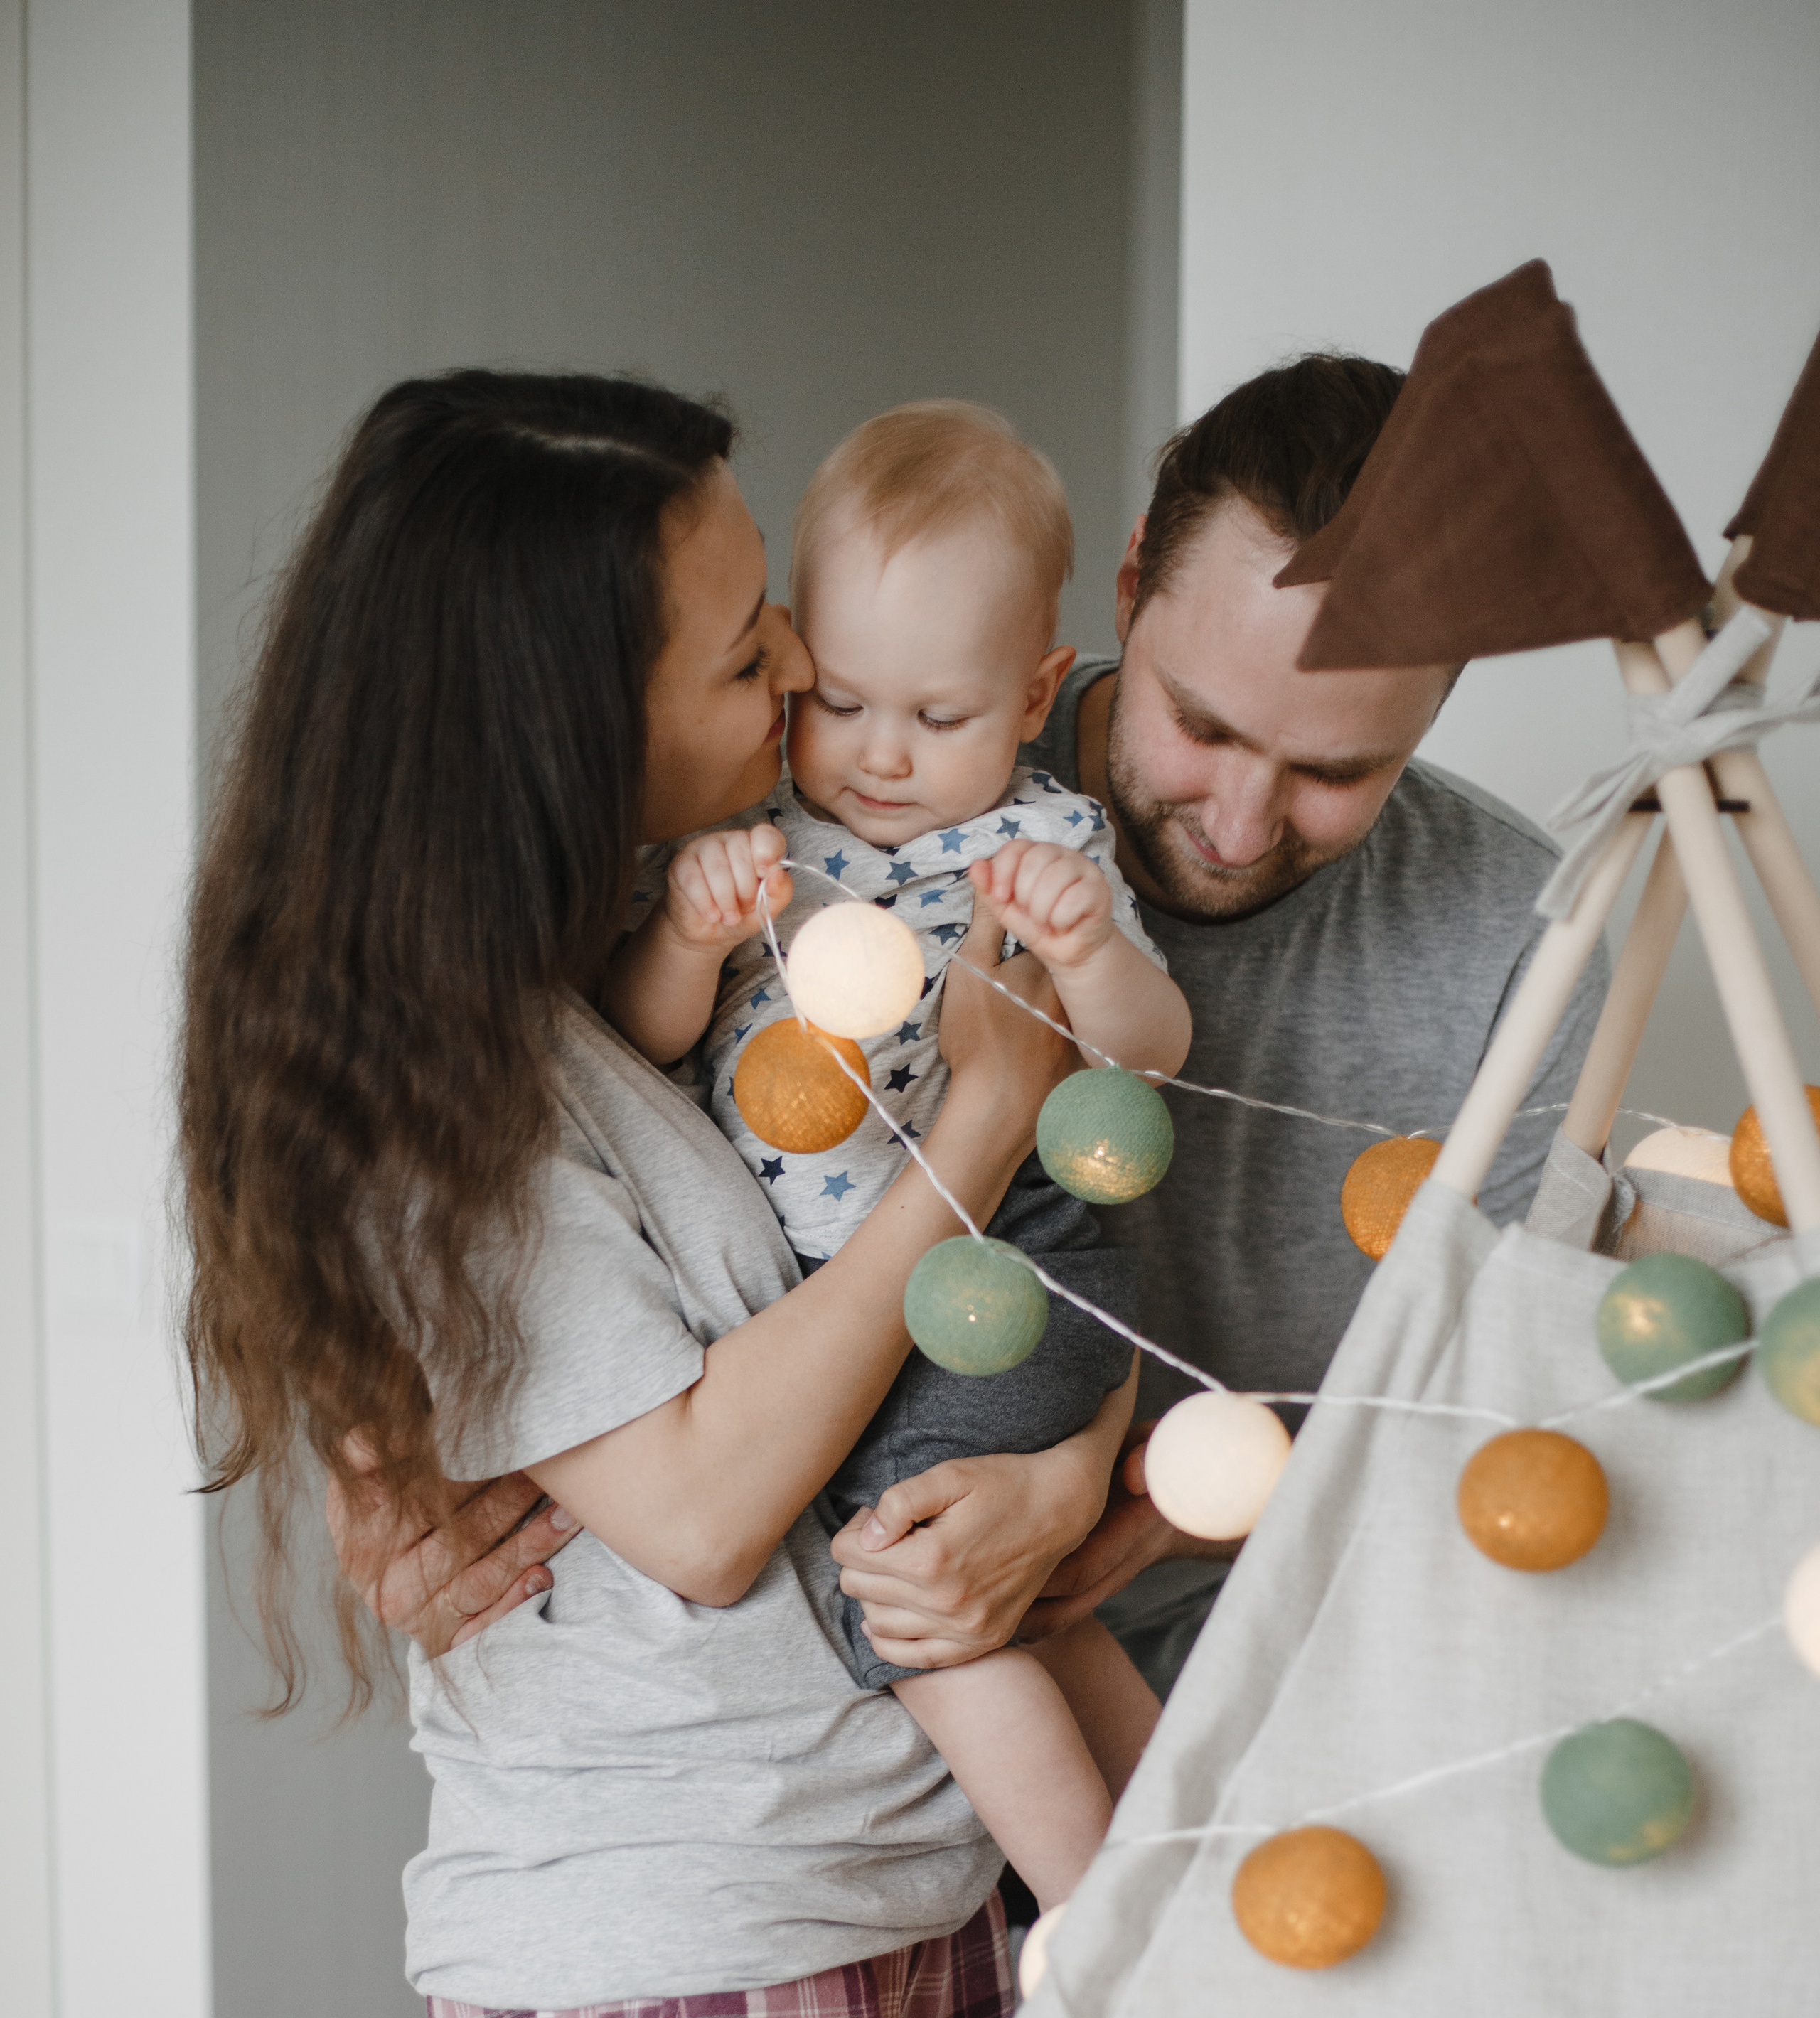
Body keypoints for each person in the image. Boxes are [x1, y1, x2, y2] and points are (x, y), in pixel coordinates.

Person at [178, 369, 1120, 2018]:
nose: (801, 677)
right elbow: (703, 1512)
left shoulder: (666, 972)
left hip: (874, 1898)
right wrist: (987, 1117)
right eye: (740, 653)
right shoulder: (456, 1079)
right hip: (684, 1975)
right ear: (563, 721)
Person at [354, 351, 1602, 1759]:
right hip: (838, 1756)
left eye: (1335, 773)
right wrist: (373, 1442)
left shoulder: (1520, 932)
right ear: (1124, 591)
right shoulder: (815, 792)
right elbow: (495, 1166)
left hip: (1272, 1726)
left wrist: (1117, 1488)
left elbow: (1507, 1409)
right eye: (1200, 726)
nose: (1245, 822)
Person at [606, 402, 1190, 1911]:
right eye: (843, 701)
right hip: (869, 1301)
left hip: (1004, 1270)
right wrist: (687, 932)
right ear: (793, 654)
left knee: (924, 1616)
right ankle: (1176, 1863)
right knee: (1030, 1612)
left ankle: (1096, 1926)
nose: (876, 756)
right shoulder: (751, 841)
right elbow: (644, 1046)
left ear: (1035, 692)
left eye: (937, 720)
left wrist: (1085, 953)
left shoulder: (1037, 845)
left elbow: (1151, 1054)